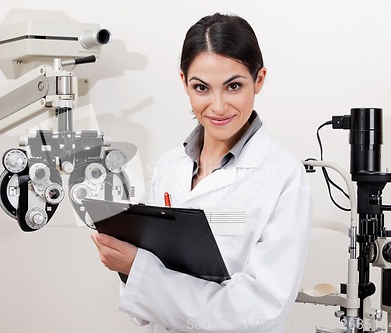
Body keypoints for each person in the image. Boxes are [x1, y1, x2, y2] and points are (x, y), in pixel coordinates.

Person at [91, 12, 312, 333]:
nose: (218, 106)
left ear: (259, 80)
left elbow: (261, 310)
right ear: (184, 82)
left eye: (234, 86)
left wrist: (139, 271)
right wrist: (128, 270)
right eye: (201, 88)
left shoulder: (283, 174)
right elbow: (145, 303)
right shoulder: (169, 166)